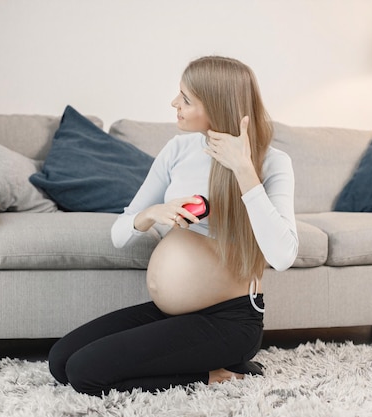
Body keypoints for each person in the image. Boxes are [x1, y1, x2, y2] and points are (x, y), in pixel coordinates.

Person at [48, 56, 298, 396]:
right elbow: (119, 234)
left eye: (186, 98)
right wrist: (153, 213)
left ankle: (215, 375)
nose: (174, 104)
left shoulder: (272, 162)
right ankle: (195, 362)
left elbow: (283, 256)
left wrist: (243, 170)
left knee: (84, 373)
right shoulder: (178, 149)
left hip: (229, 322)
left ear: (216, 105)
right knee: (60, 360)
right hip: (175, 315)